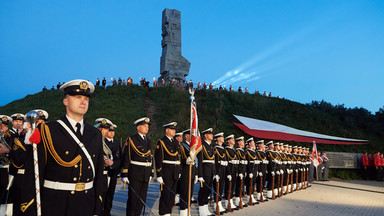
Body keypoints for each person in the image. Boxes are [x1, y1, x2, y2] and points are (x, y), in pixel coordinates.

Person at [31, 79, 105, 215]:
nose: (83, 102)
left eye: (86, 98)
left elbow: (99, 173)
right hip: (55, 204)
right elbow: (35, 174)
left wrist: (98, 207)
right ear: (65, 101)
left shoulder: (95, 133)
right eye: (77, 97)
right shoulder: (48, 130)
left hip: (86, 203)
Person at [121, 117, 153, 216]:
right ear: (138, 127)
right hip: (135, 173)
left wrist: (151, 172)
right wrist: (124, 173)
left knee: (142, 200)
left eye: (147, 126)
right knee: (133, 199)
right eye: (144, 126)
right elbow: (126, 157)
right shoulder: (132, 139)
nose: (146, 128)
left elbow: (151, 157)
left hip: (145, 174)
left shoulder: (148, 140)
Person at [155, 122, 181, 216]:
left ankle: (168, 211)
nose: (174, 131)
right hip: (166, 172)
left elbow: (178, 157)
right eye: (172, 129)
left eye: (174, 129)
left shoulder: (175, 142)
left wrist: (179, 171)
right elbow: (158, 159)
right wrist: (159, 174)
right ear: (167, 130)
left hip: (175, 171)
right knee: (165, 194)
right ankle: (163, 213)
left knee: (172, 194)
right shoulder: (161, 142)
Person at [102, 123, 121, 216]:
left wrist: (114, 164)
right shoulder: (102, 142)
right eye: (110, 131)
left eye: (113, 131)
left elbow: (119, 158)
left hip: (113, 173)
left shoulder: (117, 143)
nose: (112, 133)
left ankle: (107, 212)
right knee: (102, 194)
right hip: (104, 173)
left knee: (110, 195)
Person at [178, 129, 198, 216]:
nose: (193, 137)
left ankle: (187, 210)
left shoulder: (193, 146)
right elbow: (179, 159)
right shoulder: (182, 146)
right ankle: (183, 211)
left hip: (192, 171)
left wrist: (196, 173)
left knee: (190, 192)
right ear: (186, 136)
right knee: (185, 192)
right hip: (185, 171)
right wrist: (185, 160)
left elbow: (196, 160)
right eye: (191, 135)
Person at [197, 128, 215, 216]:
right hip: (205, 171)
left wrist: (214, 173)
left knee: (208, 191)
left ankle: (205, 209)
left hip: (210, 171)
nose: (212, 135)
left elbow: (213, 162)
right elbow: (200, 161)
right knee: (203, 191)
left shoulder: (211, 146)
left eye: (212, 134)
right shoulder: (202, 146)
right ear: (205, 135)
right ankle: (201, 210)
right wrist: (200, 175)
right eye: (210, 134)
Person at [213, 132, 227, 214]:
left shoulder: (223, 149)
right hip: (218, 172)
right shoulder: (215, 149)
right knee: (217, 189)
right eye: (221, 137)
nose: (223, 138)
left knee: (221, 188)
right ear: (218, 139)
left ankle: (219, 204)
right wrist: (216, 173)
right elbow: (215, 162)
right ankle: (216, 205)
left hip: (223, 171)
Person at [224, 134, 237, 211]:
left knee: (232, 187)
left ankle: (231, 201)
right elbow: (227, 162)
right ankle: (227, 202)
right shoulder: (227, 150)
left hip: (234, 170)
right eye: (232, 139)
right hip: (229, 170)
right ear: (229, 141)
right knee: (228, 187)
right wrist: (228, 173)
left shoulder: (234, 150)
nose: (234, 140)